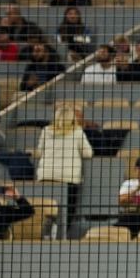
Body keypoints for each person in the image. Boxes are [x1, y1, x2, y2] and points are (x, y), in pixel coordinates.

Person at [35, 102, 91, 239]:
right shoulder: (77, 132)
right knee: (68, 209)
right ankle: (62, 235)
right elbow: (88, 153)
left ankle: (46, 232)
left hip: (46, 175)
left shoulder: (46, 130)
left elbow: (39, 152)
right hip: (68, 177)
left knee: (46, 206)